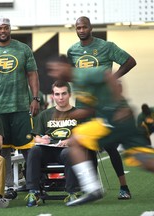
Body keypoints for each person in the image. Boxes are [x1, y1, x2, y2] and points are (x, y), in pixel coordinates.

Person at [45, 54, 154, 207]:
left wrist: (119, 105)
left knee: (76, 139)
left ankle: (92, 188)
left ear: (64, 66)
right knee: (144, 160)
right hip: (110, 121)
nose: (52, 74)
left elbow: (108, 76)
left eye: (54, 69)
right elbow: (94, 107)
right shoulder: (77, 83)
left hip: (117, 120)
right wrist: (71, 114)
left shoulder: (82, 74)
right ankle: (93, 189)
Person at [67, 16, 137, 200]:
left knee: (110, 146)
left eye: (84, 27)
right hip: (83, 105)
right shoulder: (72, 51)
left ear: (91, 28)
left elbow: (130, 61)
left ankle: (124, 187)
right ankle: (93, 188)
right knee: (87, 146)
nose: (81, 30)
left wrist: (113, 78)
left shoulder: (107, 46)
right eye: (78, 27)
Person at [0, 17, 40, 199]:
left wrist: (35, 98)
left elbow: (32, 74)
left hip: (21, 106)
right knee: (1, 149)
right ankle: (6, 186)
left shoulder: (23, 49)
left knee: (28, 148)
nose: (2, 30)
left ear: (10, 29)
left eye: (5, 27)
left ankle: (32, 185)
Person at [25, 80, 81, 207]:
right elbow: (35, 138)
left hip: (67, 151)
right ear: (53, 96)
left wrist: (70, 141)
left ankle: (72, 192)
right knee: (34, 150)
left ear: (70, 94)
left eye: (63, 94)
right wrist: (42, 140)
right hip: (49, 149)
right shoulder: (45, 114)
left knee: (69, 152)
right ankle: (33, 192)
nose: (60, 98)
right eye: (57, 94)